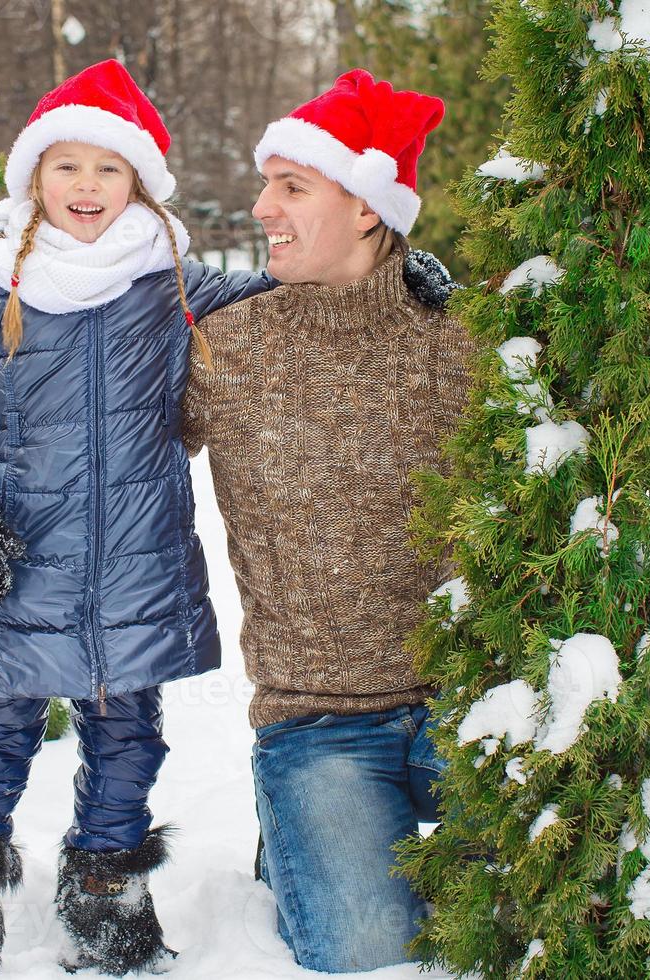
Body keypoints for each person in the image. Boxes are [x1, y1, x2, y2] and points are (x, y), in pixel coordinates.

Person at [0, 59, 279, 978]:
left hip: (135, 563)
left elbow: (288, 301)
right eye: (66, 166)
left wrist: (382, 271)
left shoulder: (170, 280)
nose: (86, 187)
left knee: (128, 735)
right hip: (15, 558)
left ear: (139, 182)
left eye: (109, 169)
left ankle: (107, 886)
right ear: (34, 175)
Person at [181, 69, 472, 973]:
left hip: (472, 704)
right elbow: (104, 452)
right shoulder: (223, 347)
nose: (261, 205)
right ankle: (299, 826)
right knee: (369, 953)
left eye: (292, 186)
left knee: (511, 927)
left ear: (367, 210)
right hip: (319, 720)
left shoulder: (463, 345)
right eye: (265, 183)